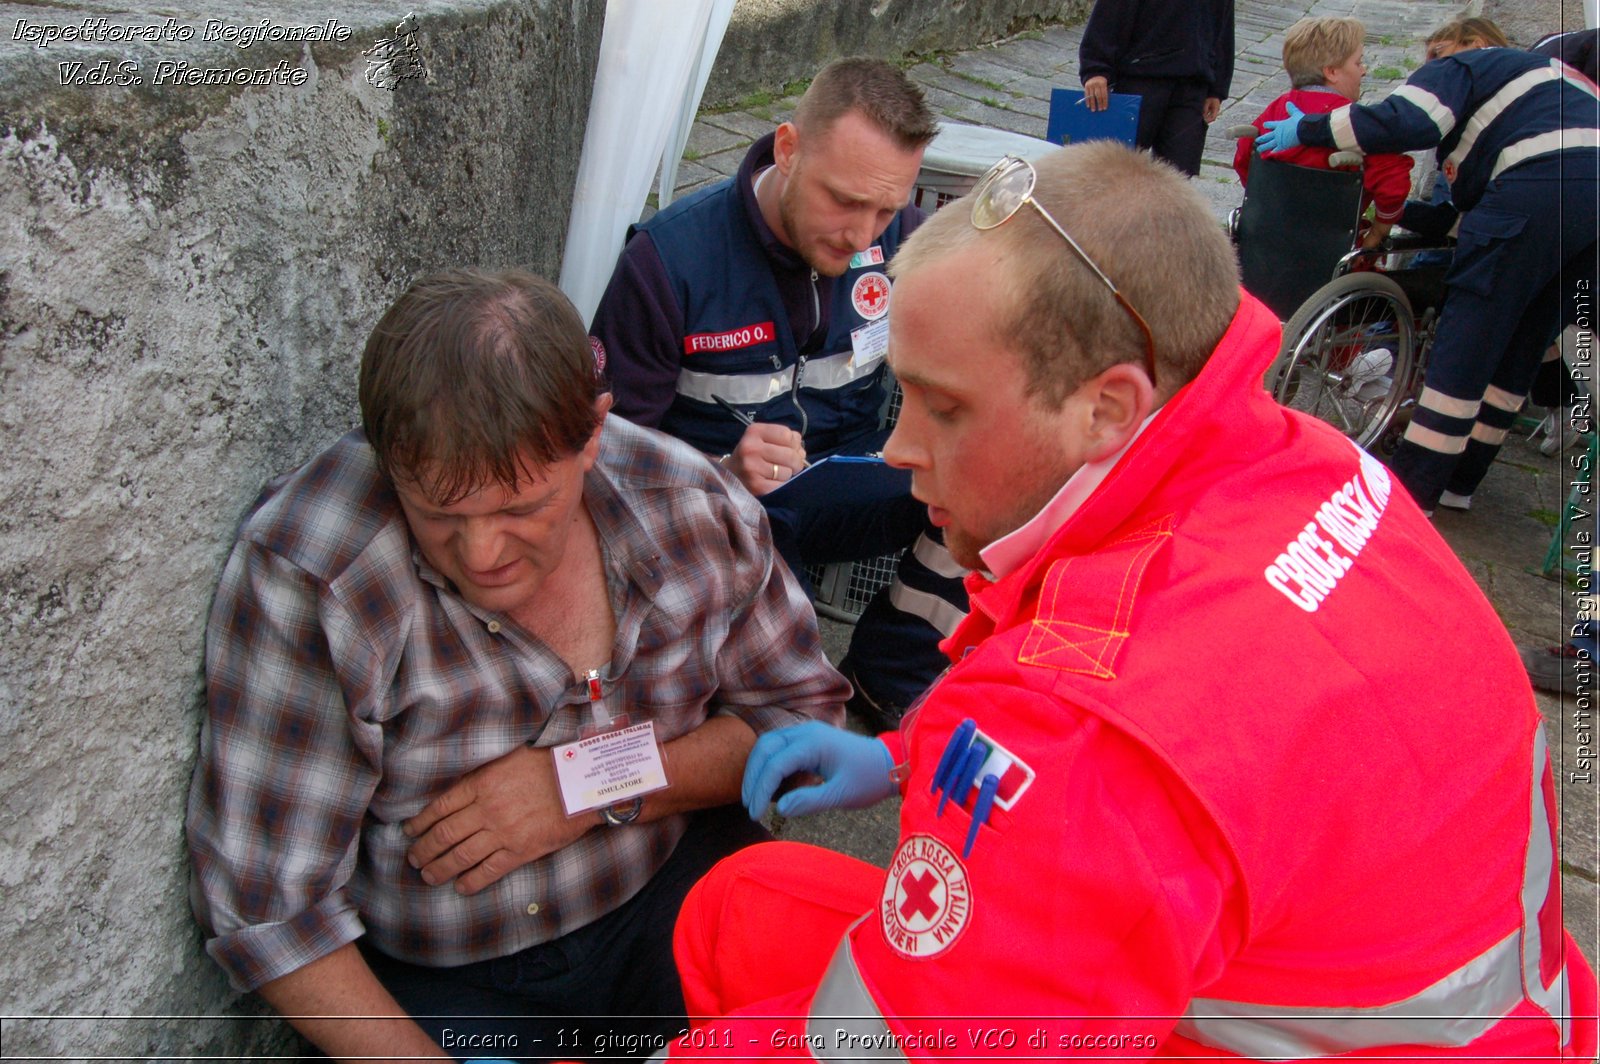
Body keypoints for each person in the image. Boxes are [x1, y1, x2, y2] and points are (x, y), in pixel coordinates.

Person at [647, 142, 1598, 1060]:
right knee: (749, 903)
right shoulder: (1309, 462)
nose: (899, 450)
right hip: (1471, 1008)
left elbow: (905, 1041)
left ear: (1106, 407)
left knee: (743, 936)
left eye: (943, 407)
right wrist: (907, 759)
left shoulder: (1083, 727)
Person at [185, 269, 848, 1063]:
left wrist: (589, 785)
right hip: (451, 982)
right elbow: (268, 911)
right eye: (438, 515)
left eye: (521, 508)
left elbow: (805, 725)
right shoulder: (318, 572)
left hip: (670, 896)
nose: (483, 554)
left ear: (594, 433)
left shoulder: (690, 504)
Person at [589, 56, 967, 727]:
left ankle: (888, 681)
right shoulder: (668, 260)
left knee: (994, 473)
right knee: (782, 687)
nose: (861, 235)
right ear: (787, 149)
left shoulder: (900, 240)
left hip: (847, 486)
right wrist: (723, 470)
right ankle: (761, 723)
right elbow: (604, 460)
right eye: (845, 200)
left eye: (887, 206)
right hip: (725, 514)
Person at [1255, 16, 1600, 514]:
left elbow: (1404, 122)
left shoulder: (1457, 69)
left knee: (1470, 339)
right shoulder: (1539, 83)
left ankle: (1413, 491)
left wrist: (1310, 128)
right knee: (1521, 344)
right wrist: (1404, 215)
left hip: (1538, 190)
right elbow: (1459, 213)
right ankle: (1461, 484)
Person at [1232, 17, 1412, 250]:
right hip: (1333, 249)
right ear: (1332, 72)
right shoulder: (1353, 122)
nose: (1364, 71)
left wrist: (1270, 201)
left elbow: (1245, 156)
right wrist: (1380, 229)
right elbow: (1393, 180)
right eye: (1358, 63)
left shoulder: (1278, 108)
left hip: (1271, 242)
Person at [1079, 0, 1235, 176]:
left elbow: (1224, 22)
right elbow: (1111, 11)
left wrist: (1217, 88)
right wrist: (1096, 68)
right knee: (1114, 169)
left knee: (1178, 176)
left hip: (1192, 84)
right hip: (1140, 77)